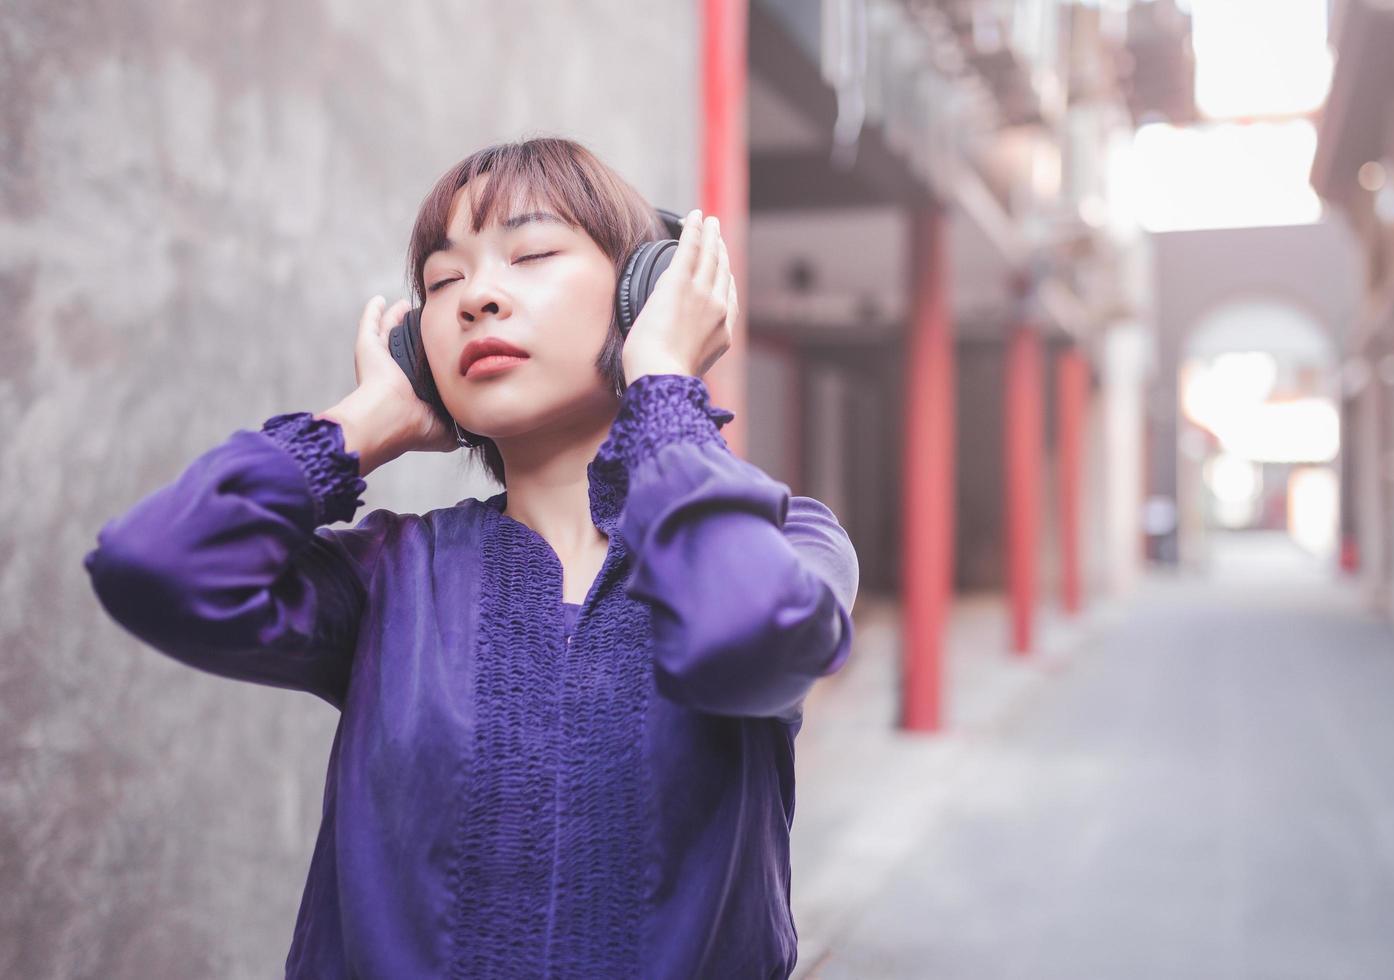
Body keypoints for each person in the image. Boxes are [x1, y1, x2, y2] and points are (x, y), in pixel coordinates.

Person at [83, 136, 860, 979]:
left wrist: (663, 384)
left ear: (646, 296)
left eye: (531, 255)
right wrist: (364, 425)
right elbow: (155, 564)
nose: (477, 298)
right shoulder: (389, 576)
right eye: (444, 281)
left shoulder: (784, 542)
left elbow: (745, 633)